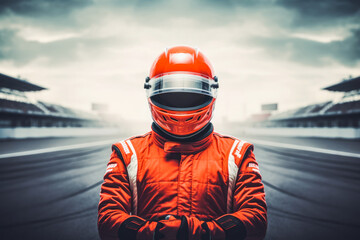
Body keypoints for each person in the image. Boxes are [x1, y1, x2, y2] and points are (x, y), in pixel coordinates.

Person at [98, 46, 267, 240]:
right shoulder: (127, 153)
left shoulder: (238, 153)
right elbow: (108, 220)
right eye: (172, 93)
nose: (181, 102)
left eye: (190, 94)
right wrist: (159, 234)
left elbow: (256, 219)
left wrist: (195, 234)